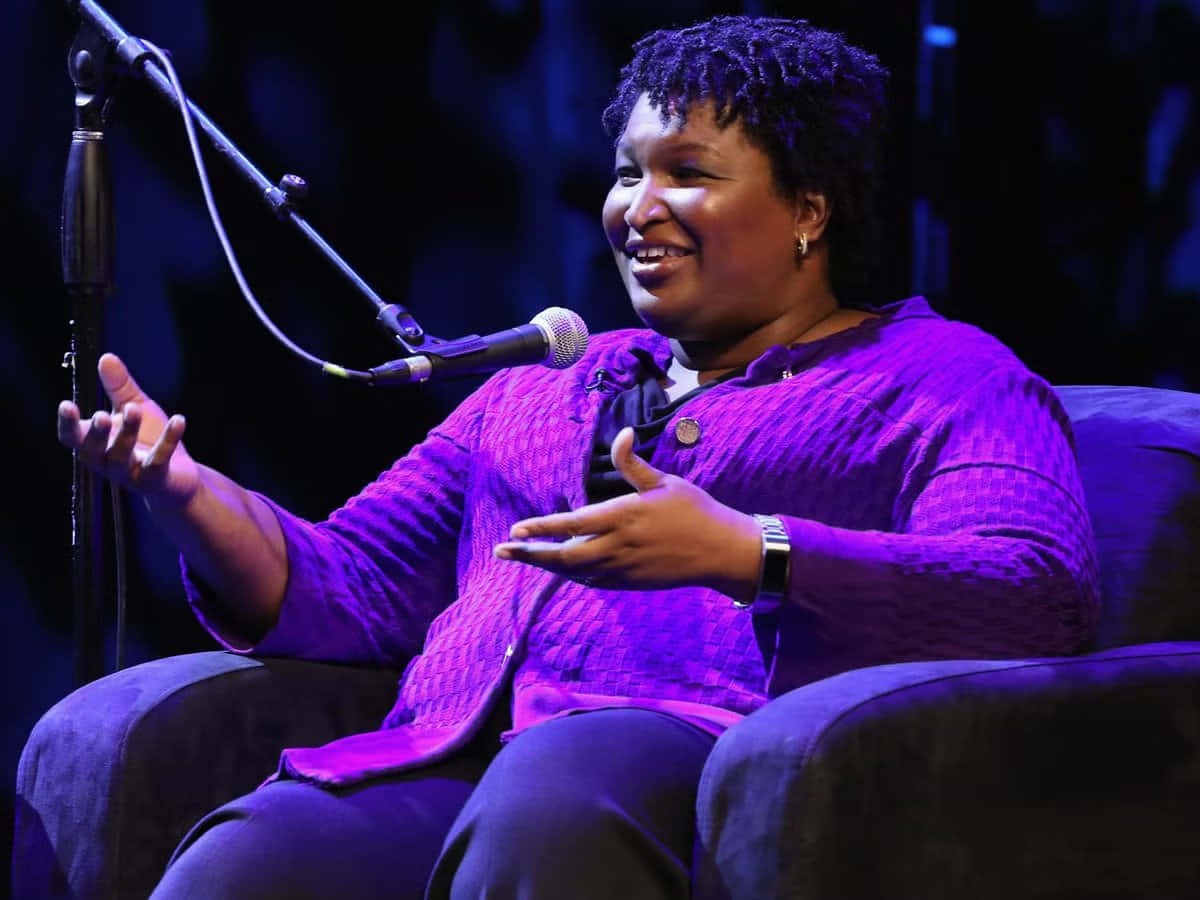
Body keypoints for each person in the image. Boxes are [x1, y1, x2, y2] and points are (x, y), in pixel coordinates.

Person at [56, 14, 1099, 899]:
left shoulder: (939, 375)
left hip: (702, 770)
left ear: (809, 214)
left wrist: (751, 551)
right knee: (250, 864)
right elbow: (353, 583)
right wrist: (186, 492)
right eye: (625, 175)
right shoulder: (552, 386)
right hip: (456, 756)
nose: (635, 210)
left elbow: (1036, 590)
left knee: (548, 801)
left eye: (686, 174)